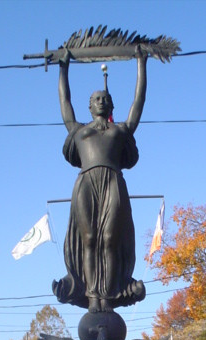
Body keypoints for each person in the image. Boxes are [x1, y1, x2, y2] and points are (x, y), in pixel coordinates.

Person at [53, 47, 148, 313]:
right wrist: (64, 68)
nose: (102, 101)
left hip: (113, 182)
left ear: (111, 105)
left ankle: (107, 295)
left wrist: (141, 64)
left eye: (106, 98)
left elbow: (138, 103)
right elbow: (65, 102)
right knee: (90, 238)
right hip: (86, 183)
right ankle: (93, 297)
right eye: (96, 98)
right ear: (90, 105)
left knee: (109, 238)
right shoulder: (79, 130)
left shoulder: (120, 130)